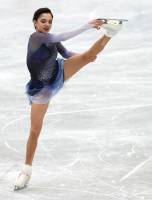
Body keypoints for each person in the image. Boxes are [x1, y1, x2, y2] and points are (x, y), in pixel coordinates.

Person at [14, 8, 122, 190]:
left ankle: (110, 33)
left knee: (88, 56)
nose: (47, 24)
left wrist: (83, 58)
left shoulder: (51, 40)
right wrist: (86, 26)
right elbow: (61, 37)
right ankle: (26, 171)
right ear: (34, 23)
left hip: (58, 73)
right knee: (35, 131)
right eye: (43, 21)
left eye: (49, 21)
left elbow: (65, 53)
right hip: (41, 90)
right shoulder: (37, 38)